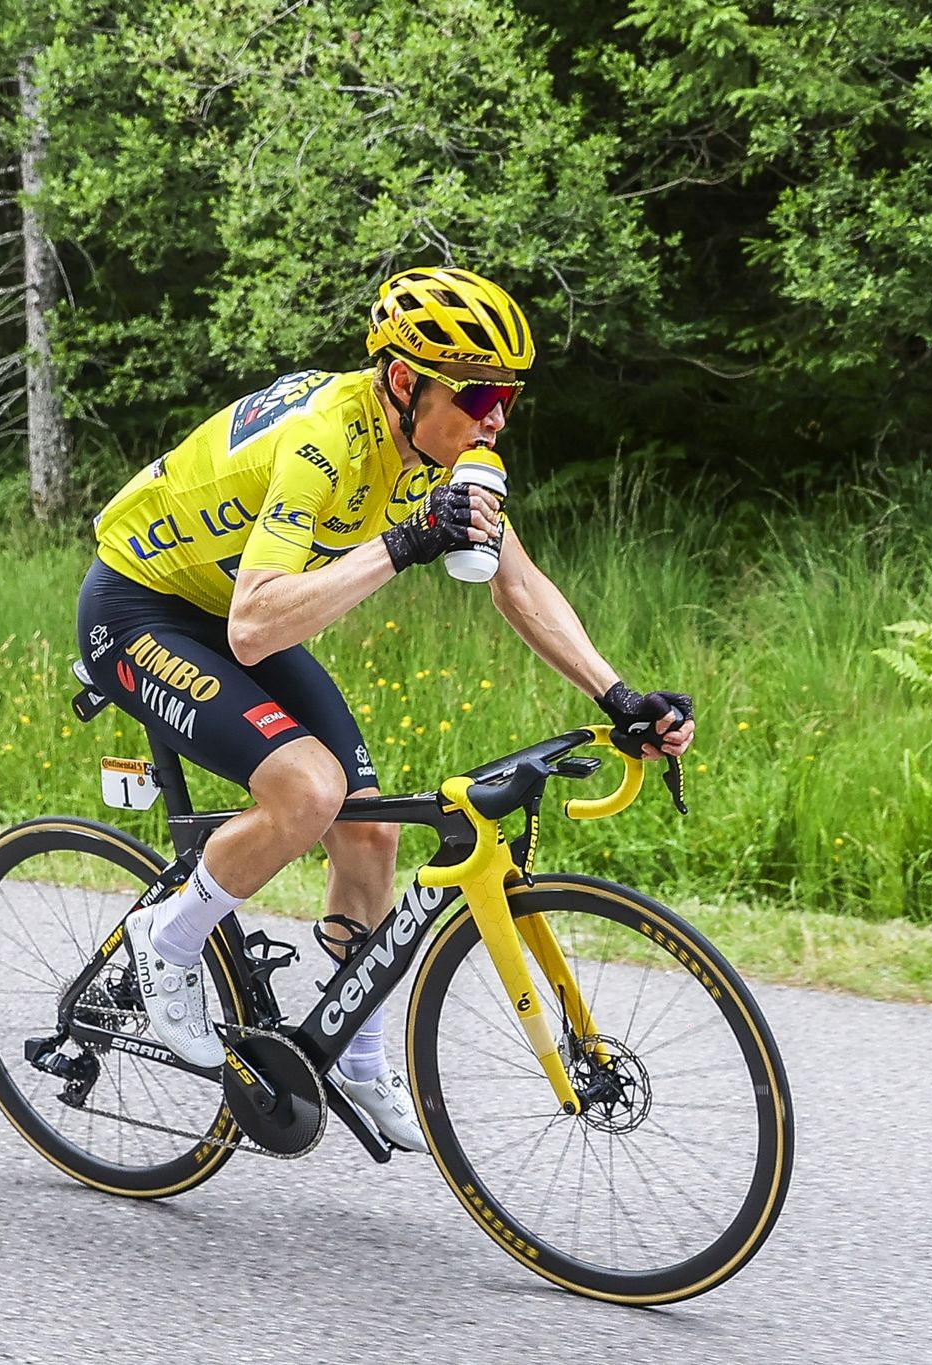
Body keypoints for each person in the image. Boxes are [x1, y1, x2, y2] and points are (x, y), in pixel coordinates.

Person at [80, 266, 693, 1151]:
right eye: (479, 394)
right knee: (309, 790)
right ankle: (164, 942)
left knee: (370, 830)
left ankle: (359, 1054)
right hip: (140, 606)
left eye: (509, 397)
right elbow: (254, 629)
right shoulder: (322, 445)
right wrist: (404, 542)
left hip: (231, 605)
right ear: (404, 381)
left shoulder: (454, 451)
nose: (495, 418)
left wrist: (620, 694)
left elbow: (518, 585)